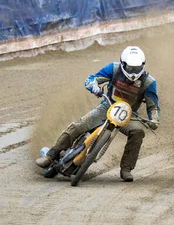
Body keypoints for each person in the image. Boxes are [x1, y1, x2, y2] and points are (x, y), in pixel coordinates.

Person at [35, 46, 160, 182]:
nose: (133, 72)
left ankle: (126, 169)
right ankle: (50, 156)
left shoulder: (149, 82)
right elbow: (92, 78)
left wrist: (154, 120)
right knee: (79, 125)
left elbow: (153, 106)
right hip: (107, 106)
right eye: (130, 68)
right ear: (123, 64)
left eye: (136, 68)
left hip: (129, 115)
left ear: (142, 65)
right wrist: (94, 86)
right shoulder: (113, 69)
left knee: (138, 132)